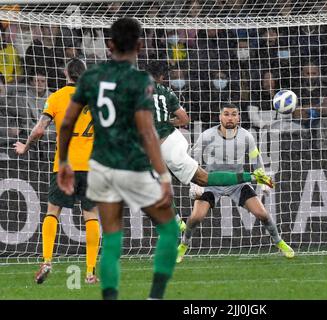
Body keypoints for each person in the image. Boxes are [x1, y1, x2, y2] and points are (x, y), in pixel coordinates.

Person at [56, 17, 177, 300]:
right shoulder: (140, 80)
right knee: (170, 230)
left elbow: (66, 125)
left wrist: (63, 162)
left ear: (109, 45)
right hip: (132, 166)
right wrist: (163, 175)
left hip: (100, 167)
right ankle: (155, 297)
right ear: (140, 45)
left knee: (111, 239)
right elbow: (147, 132)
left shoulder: (90, 77)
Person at [145, 61, 275, 232]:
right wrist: (166, 121)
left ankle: (250, 177)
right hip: (173, 140)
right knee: (191, 179)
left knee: (168, 182)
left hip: (159, 146)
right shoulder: (166, 91)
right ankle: (252, 176)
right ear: (162, 77)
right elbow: (184, 120)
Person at [13, 58, 100, 285]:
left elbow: (40, 129)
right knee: (91, 216)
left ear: (65, 73)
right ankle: (90, 272)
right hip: (91, 167)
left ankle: (47, 261)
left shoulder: (56, 97)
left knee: (53, 212)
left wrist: (26, 146)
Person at [177, 104, 295, 263]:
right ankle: (184, 245)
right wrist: (194, 184)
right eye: (226, 114)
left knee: (263, 215)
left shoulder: (246, 136)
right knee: (195, 217)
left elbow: (256, 160)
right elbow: (192, 160)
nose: (230, 118)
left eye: (233, 114)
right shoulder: (207, 135)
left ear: (239, 118)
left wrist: (263, 183)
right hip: (210, 182)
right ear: (220, 117)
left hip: (237, 183)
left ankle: (279, 242)